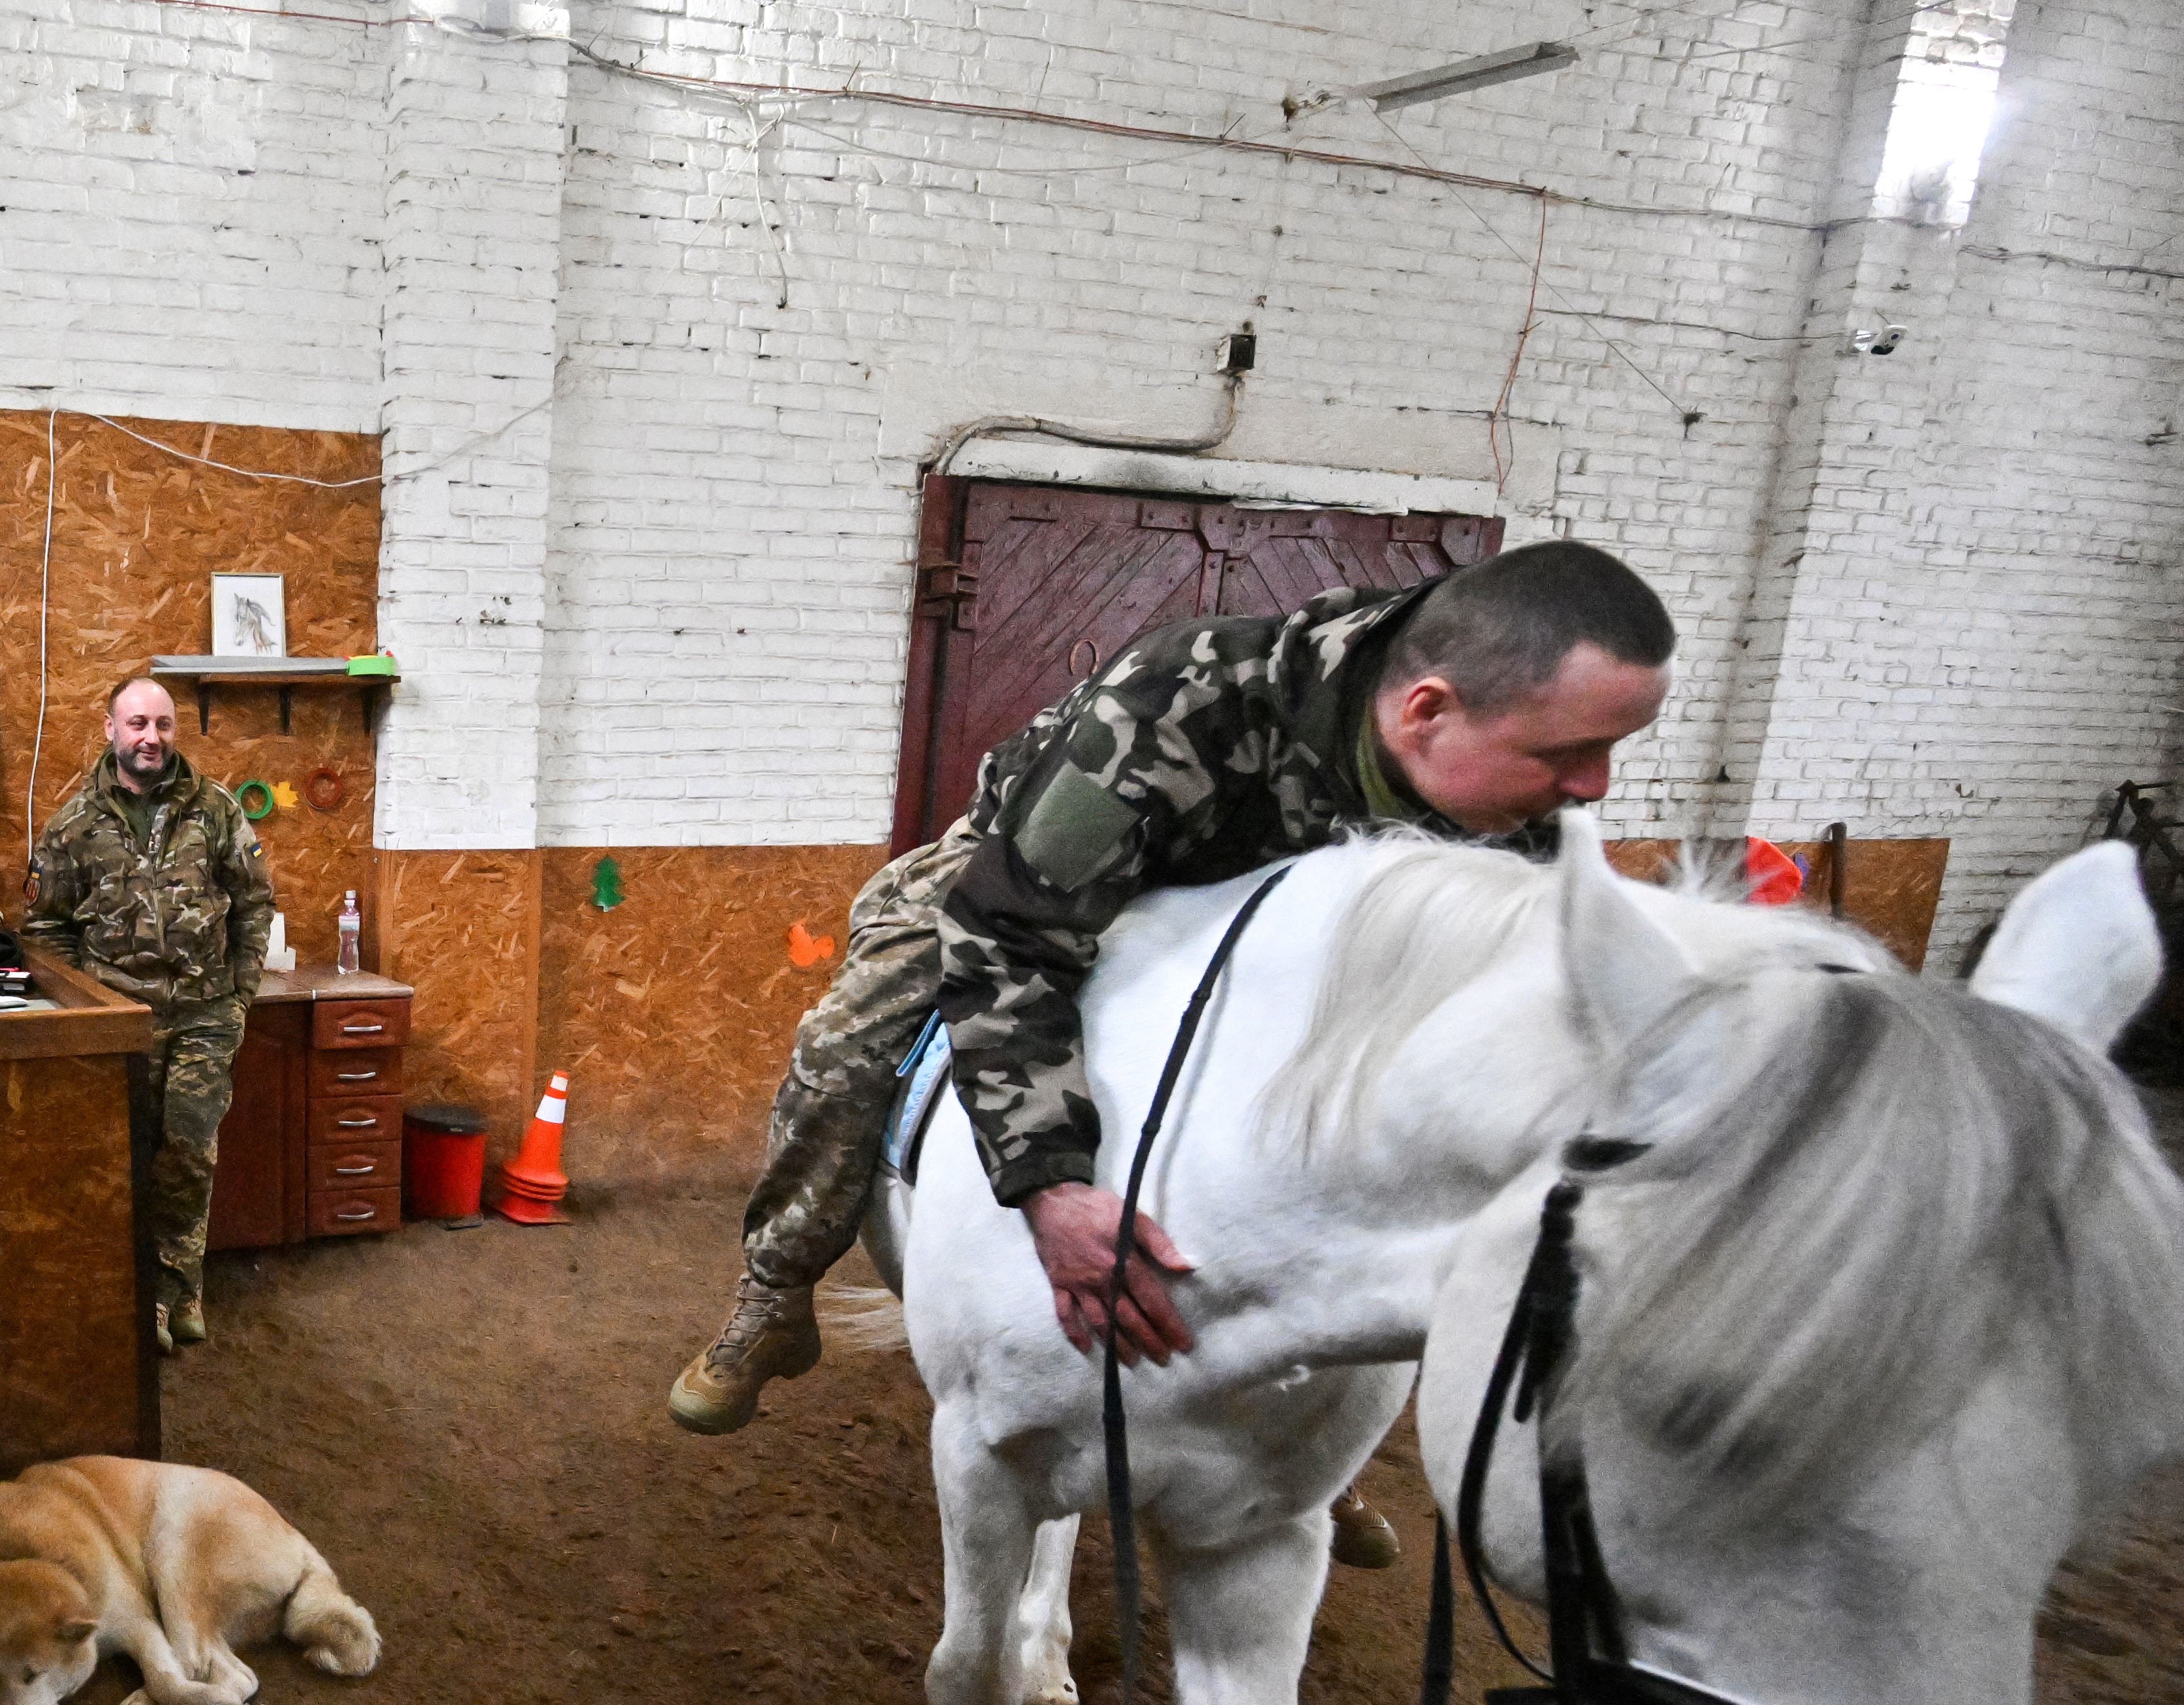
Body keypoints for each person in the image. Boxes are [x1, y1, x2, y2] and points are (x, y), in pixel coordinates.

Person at [666, 542, 1678, 1563]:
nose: (1591, 789)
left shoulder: (1514, 807)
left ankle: (1301, 1448)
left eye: (1609, 753)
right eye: (1565, 755)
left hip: (1282, 936)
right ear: (1426, 710)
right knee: (844, 1045)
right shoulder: (1180, 699)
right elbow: (1013, 930)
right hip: (1041, 877)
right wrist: (1052, 1188)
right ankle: (777, 1286)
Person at [25, 676, 276, 1351]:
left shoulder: (217, 810)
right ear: (110, 729)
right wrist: (85, 1014)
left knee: (188, 1150)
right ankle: (135, 1295)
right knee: (126, 1157)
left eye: (162, 725)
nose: (150, 738)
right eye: (137, 724)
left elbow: (255, 904)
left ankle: (177, 1289)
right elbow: (46, 930)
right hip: (118, 1022)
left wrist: (240, 994)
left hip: (202, 1013)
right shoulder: (73, 823)